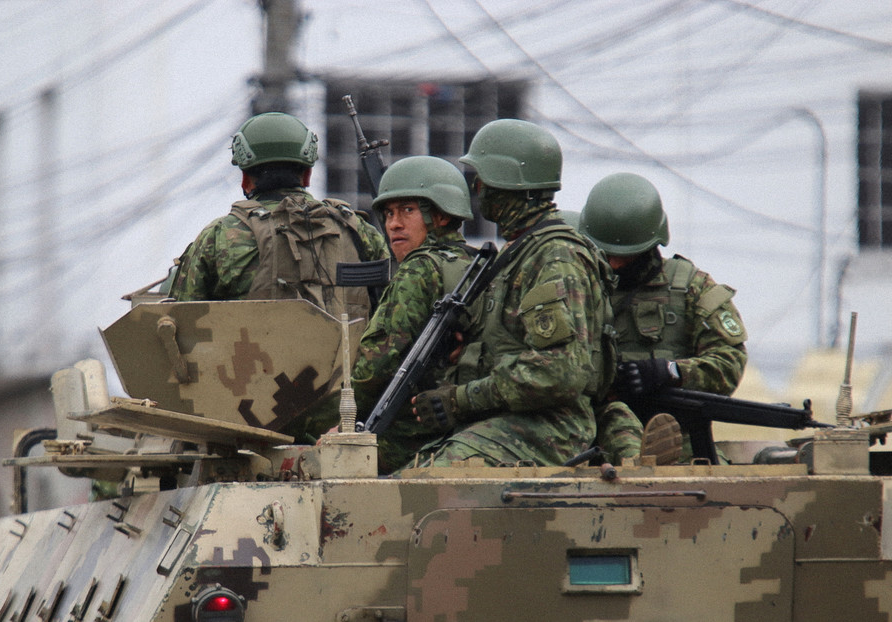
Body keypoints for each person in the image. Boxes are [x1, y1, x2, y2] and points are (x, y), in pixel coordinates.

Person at [410, 119, 617, 468]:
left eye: (484, 178)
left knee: (425, 485)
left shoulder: (554, 257)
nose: (477, 188)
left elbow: (559, 371)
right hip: (509, 421)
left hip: (549, 430)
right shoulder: (518, 253)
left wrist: (462, 399)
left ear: (506, 184)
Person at [578, 172, 748, 460]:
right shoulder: (579, 288)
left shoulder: (691, 288)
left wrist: (669, 372)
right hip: (592, 438)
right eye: (607, 254)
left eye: (627, 255)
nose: (615, 264)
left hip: (675, 441)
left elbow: (729, 363)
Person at [168, 112, 388, 321]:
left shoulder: (218, 236)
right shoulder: (358, 230)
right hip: (350, 361)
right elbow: (392, 312)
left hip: (248, 360)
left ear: (245, 179)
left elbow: (181, 323)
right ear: (308, 175)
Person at [349, 156, 476, 473]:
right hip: (464, 429)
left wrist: (332, 422)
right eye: (389, 213)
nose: (393, 224)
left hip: (410, 436)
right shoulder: (476, 265)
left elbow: (372, 368)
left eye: (408, 210)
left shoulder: (420, 269)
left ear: (441, 214)